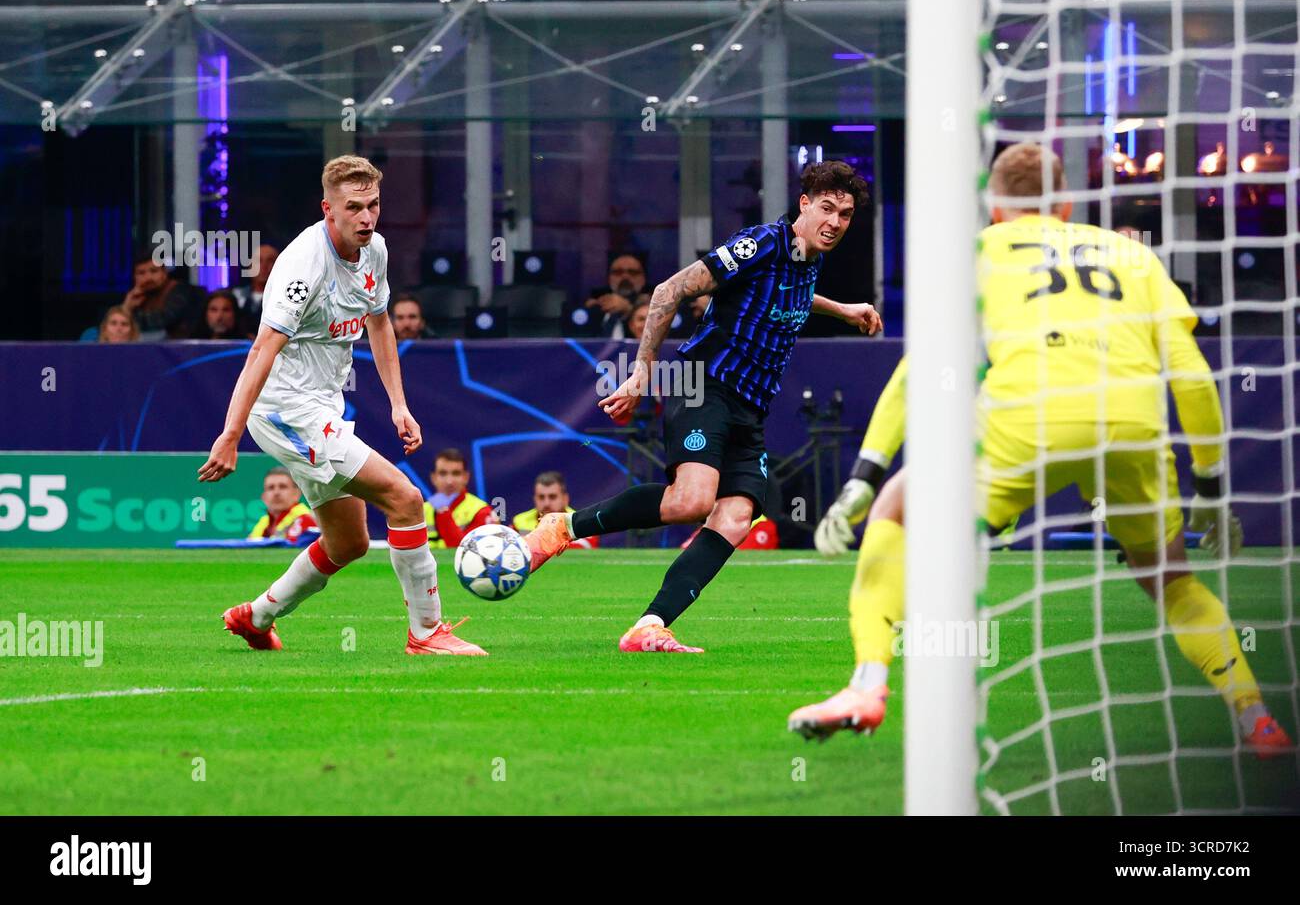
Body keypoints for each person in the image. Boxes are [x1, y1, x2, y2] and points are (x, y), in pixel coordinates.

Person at [787, 143, 1291, 756]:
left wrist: (865, 476)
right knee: (1172, 578)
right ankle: (1254, 715)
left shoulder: (980, 251)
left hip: (1026, 420)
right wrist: (1210, 487)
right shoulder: (1131, 253)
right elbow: (1189, 374)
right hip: (1130, 424)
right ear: (1069, 203)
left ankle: (867, 684)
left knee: (897, 506)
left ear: (995, 207)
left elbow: (921, 370)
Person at [521, 160, 882, 653]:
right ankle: (563, 526)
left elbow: (794, 295)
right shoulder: (760, 245)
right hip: (703, 384)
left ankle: (649, 625)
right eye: (826, 208)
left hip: (750, 409)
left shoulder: (809, 257)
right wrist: (643, 370)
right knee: (691, 501)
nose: (836, 222)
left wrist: (844, 309)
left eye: (844, 214)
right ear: (803, 204)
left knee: (735, 517)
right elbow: (669, 290)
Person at [198, 154, 486, 656]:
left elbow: (379, 322)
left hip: (322, 407)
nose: (367, 217)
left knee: (349, 542)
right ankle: (427, 633)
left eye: (373, 205)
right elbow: (262, 350)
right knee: (406, 498)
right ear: (327, 208)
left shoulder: (374, 250)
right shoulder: (301, 265)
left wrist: (399, 404)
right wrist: (231, 433)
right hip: (286, 411)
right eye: (354, 207)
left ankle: (256, 616)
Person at [813, 356, 906, 556]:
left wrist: (864, 478)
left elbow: (908, 382)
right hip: (975, 447)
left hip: (977, 450)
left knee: (887, 517)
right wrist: (863, 478)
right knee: (888, 514)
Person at [424, 448, 498, 549]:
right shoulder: (420, 510)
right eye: (443, 473)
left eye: (456, 473)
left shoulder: (482, 511)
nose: (449, 481)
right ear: (433, 478)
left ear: (466, 477)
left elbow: (463, 551)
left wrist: (443, 513)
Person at [511, 471, 598, 549]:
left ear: (565, 499)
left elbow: (586, 546)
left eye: (552, 497)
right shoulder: (519, 522)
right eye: (541, 497)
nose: (546, 503)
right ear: (535, 499)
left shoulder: (581, 522)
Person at [121, 257, 201, 340]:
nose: (148, 277)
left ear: (164, 273)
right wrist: (127, 306)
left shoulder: (179, 290)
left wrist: (130, 316)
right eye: (141, 273)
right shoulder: (138, 295)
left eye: (154, 271)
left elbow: (163, 320)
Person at [587, 253, 650, 339]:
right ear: (609, 278)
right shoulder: (594, 311)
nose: (625, 276)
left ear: (643, 279)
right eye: (618, 272)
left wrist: (629, 311)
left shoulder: (655, 310)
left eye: (632, 272)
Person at [248, 466, 318, 543]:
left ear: (297, 493)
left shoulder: (306, 519)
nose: (276, 492)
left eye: (282, 487)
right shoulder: (264, 521)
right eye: (271, 488)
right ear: (264, 497)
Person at [230, 243, 279, 327]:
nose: (264, 266)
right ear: (249, 266)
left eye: (270, 260)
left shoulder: (284, 298)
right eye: (258, 261)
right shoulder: (234, 296)